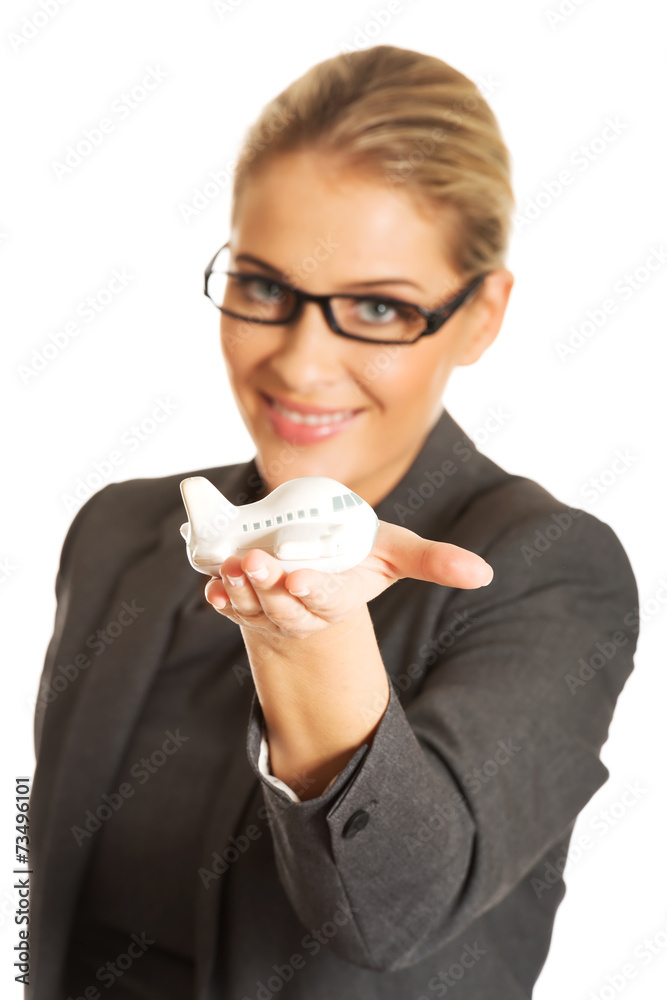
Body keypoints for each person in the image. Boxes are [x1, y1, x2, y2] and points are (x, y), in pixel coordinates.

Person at [28, 45, 638, 1000]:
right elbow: (52, 888)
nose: (302, 365)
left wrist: (307, 644)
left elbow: (396, 914)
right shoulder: (120, 532)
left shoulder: (545, 568)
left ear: (479, 315)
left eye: (379, 307)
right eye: (265, 288)